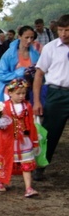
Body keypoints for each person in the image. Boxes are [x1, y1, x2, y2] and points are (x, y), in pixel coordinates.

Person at [0, 26, 40, 135]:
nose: (29, 41)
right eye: (26, 37)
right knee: (9, 115)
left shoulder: (35, 54)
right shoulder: (10, 54)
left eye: (32, 38)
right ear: (19, 37)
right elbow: (0, 74)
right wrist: (20, 72)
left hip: (28, 92)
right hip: (10, 92)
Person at [32, 14, 69, 181]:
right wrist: (37, 101)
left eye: (67, 30)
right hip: (56, 93)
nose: (63, 34)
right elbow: (39, 75)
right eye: (61, 30)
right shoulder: (50, 48)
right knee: (49, 133)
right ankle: (40, 167)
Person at [0, 79, 39, 197]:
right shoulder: (4, 106)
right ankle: (0, 180)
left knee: (26, 163)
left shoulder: (27, 106)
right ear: (10, 93)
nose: (21, 96)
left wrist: (34, 140)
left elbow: (31, 124)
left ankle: (28, 188)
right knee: (7, 160)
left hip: (25, 140)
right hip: (9, 141)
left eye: (23, 93)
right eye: (18, 93)